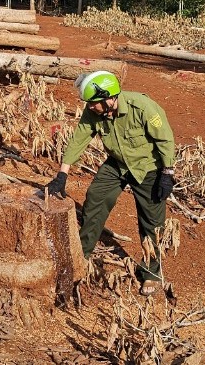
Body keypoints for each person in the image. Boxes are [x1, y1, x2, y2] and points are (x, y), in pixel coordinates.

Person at [45, 70, 176, 296]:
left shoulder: (142, 107)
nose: (90, 107)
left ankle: (152, 273)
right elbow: (79, 139)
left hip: (148, 168)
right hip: (117, 165)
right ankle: (81, 255)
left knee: (152, 222)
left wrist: (167, 173)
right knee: (95, 198)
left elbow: (165, 139)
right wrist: (62, 174)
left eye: (93, 102)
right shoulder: (94, 111)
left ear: (109, 98)